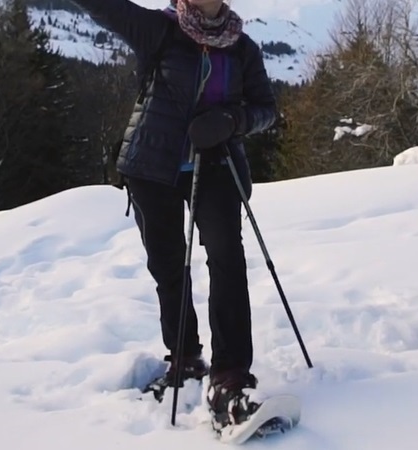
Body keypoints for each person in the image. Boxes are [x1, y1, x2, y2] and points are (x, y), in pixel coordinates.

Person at [70, 0, 277, 429]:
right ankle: (184, 359)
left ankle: (230, 375)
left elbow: (265, 110)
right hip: (152, 166)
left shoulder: (243, 48)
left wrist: (232, 120)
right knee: (168, 265)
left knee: (227, 258)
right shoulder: (159, 30)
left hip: (217, 164)